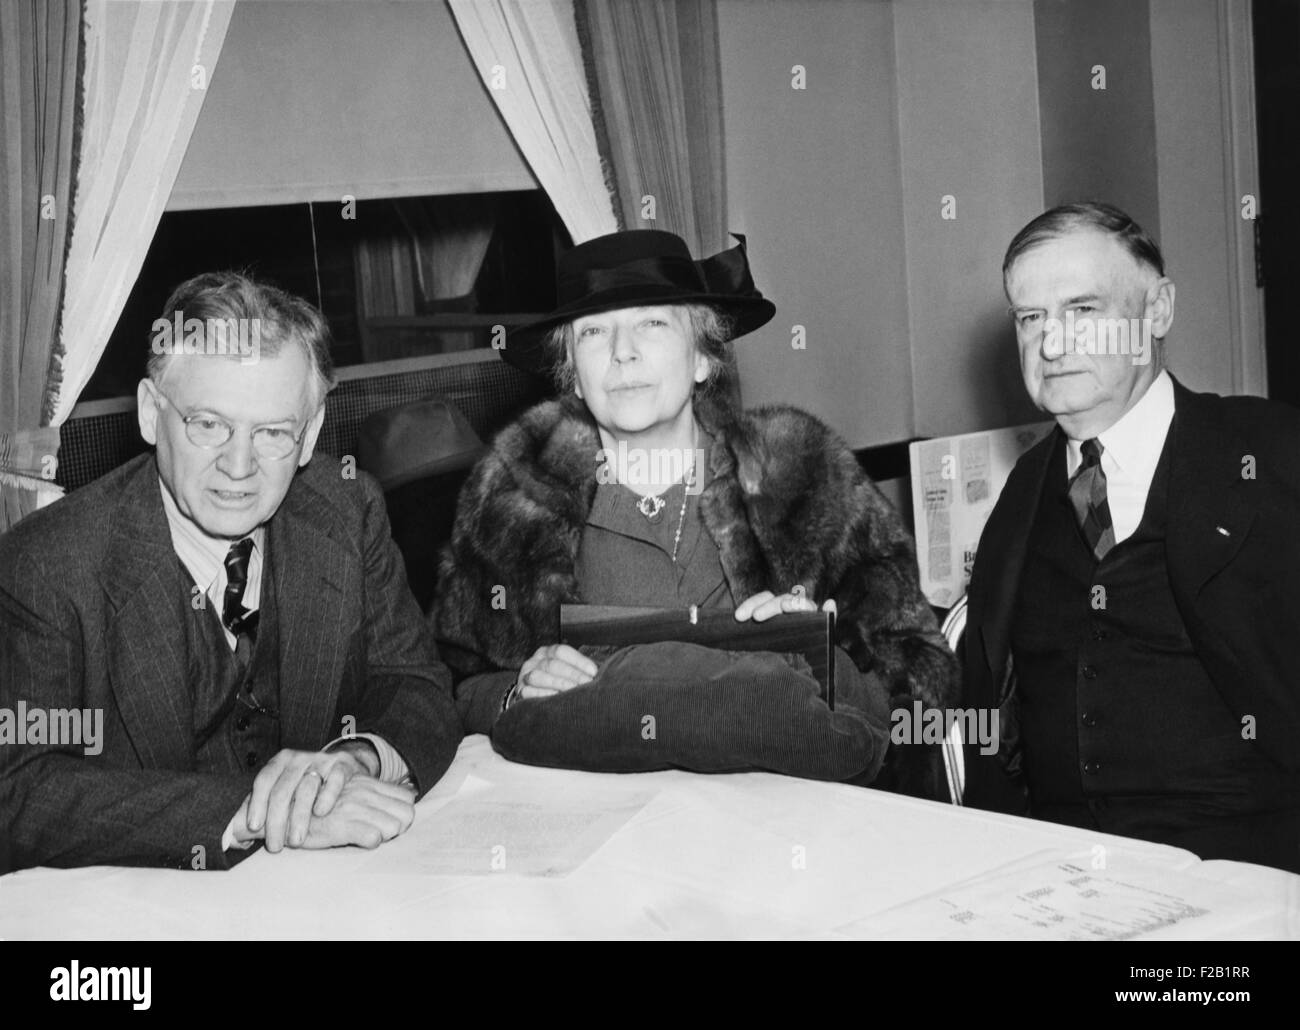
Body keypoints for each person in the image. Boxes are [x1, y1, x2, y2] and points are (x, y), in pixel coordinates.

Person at [430, 230, 958, 796]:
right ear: (572, 374)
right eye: (593, 332)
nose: (622, 351)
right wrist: (515, 691)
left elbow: (931, 689)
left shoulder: (799, 476)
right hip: (602, 847)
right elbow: (451, 683)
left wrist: (826, 651)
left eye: (652, 323)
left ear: (704, 358)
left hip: (790, 840)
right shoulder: (513, 498)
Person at [0, 272, 462, 872]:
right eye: (208, 424)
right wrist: (251, 810)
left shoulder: (347, 510)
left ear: (310, 435)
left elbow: (417, 683)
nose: (239, 466)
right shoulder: (48, 563)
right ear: (150, 413)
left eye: (272, 432)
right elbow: (19, 788)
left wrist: (353, 758)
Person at [961, 201, 1300, 871]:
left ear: (1157, 312)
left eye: (1083, 311)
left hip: (1251, 872)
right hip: (1053, 872)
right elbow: (972, 706)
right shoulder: (1021, 498)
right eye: (1031, 318)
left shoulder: (1271, 456)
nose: (1051, 344)